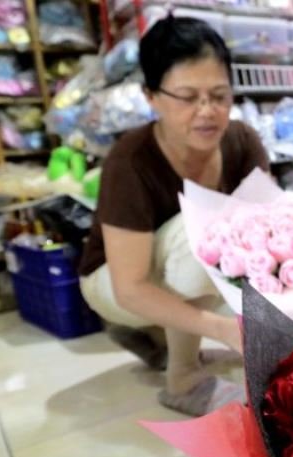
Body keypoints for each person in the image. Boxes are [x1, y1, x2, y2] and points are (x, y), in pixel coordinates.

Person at [78, 16, 268, 416]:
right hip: (112, 282)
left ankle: (158, 337)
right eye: (187, 97)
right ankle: (182, 377)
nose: (207, 111)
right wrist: (223, 331)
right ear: (151, 97)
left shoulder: (242, 143)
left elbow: (269, 234)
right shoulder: (130, 161)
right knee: (205, 230)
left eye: (219, 95)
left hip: (172, 268)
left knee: (250, 231)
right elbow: (129, 287)